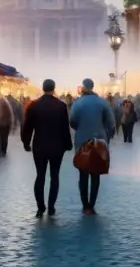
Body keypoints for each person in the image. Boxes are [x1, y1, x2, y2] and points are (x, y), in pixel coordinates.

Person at [22, 78, 73, 218]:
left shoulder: (34, 105)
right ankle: (51, 207)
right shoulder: (61, 106)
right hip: (57, 147)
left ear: (43, 88)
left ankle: (40, 207)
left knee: (40, 176)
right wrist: (68, 144)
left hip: (39, 146)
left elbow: (27, 127)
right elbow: (65, 128)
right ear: (53, 88)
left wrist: (26, 143)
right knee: (54, 176)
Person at [69, 78, 115, 214]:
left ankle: (85, 204)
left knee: (83, 173)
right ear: (93, 87)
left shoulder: (78, 103)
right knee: (95, 173)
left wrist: (81, 128)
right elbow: (111, 123)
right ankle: (92, 204)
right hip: (99, 142)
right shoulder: (102, 102)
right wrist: (107, 135)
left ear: (83, 87)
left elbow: (72, 121)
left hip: (82, 142)